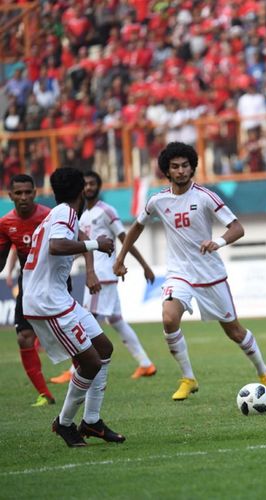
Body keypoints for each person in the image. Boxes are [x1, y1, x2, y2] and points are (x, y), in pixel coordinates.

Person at [113, 142, 266, 400]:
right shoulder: (158, 200)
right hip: (179, 273)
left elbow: (237, 228)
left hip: (210, 274)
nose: (180, 171)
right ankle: (188, 378)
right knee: (169, 319)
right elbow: (136, 227)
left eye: (185, 166)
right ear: (167, 171)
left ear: (192, 168)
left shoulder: (205, 197)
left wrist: (218, 242)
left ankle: (263, 371)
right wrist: (120, 257)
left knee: (234, 331)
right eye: (175, 167)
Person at [23, 167, 124, 447]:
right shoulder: (66, 212)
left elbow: (66, 241)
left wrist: (88, 255)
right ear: (82, 190)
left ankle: (92, 421)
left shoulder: (58, 214)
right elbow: (56, 246)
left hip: (58, 298)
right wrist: (96, 244)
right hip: (48, 302)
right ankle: (65, 424)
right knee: (89, 361)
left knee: (104, 349)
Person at [49, 170, 157, 384]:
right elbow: (85, 246)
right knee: (116, 321)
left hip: (102, 275)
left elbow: (124, 237)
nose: (88, 187)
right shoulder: (81, 214)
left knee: (85, 322)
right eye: (85, 184)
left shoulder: (106, 211)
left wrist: (143, 264)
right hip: (98, 274)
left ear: (98, 186)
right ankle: (146, 364)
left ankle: (73, 371)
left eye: (92, 184)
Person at [0, 175, 56, 406]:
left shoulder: (48, 216)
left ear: (35, 193)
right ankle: (45, 393)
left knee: (69, 335)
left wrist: (90, 271)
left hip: (56, 283)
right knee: (24, 338)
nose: (23, 197)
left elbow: (78, 241)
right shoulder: (5, 224)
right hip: (29, 284)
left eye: (27, 192)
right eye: (18, 193)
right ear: (10, 195)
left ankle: (86, 379)